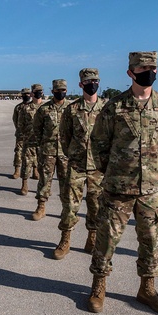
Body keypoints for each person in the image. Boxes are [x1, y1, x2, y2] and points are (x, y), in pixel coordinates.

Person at [87, 53, 158, 313]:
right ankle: (98, 287)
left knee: (151, 239)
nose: (148, 71)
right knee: (107, 239)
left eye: (152, 67)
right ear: (130, 72)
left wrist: (152, 168)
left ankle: (147, 289)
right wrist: (113, 170)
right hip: (118, 187)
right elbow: (98, 143)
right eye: (142, 67)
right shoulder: (114, 106)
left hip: (150, 188)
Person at [54, 68, 105, 258]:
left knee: (96, 205)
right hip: (76, 165)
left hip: (98, 167)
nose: (92, 84)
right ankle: (65, 240)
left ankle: (92, 236)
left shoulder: (106, 109)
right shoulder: (72, 109)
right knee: (70, 205)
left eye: (95, 81)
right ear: (81, 84)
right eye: (88, 81)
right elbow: (64, 136)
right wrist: (73, 155)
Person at [29, 79, 70, 221]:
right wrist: (43, 144)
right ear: (52, 91)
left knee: (66, 182)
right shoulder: (44, 109)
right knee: (45, 180)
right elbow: (37, 128)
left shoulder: (71, 108)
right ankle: (41, 207)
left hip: (65, 153)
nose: (61, 93)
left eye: (63, 90)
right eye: (58, 91)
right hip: (48, 152)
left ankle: (66, 209)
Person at [15, 86, 41, 195]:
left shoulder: (46, 107)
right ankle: (24, 184)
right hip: (28, 139)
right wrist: (23, 135)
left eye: (40, 91)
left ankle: (43, 188)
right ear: (32, 94)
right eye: (36, 92)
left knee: (44, 165)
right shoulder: (25, 108)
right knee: (26, 161)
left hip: (42, 141)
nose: (39, 94)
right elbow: (19, 123)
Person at [11, 88, 33, 179]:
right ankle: (17, 170)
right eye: (24, 94)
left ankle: (35, 170)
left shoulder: (34, 107)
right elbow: (15, 119)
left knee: (34, 153)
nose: (26, 96)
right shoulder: (18, 107)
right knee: (18, 152)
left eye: (28, 94)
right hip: (20, 134)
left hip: (32, 135)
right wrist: (19, 129)